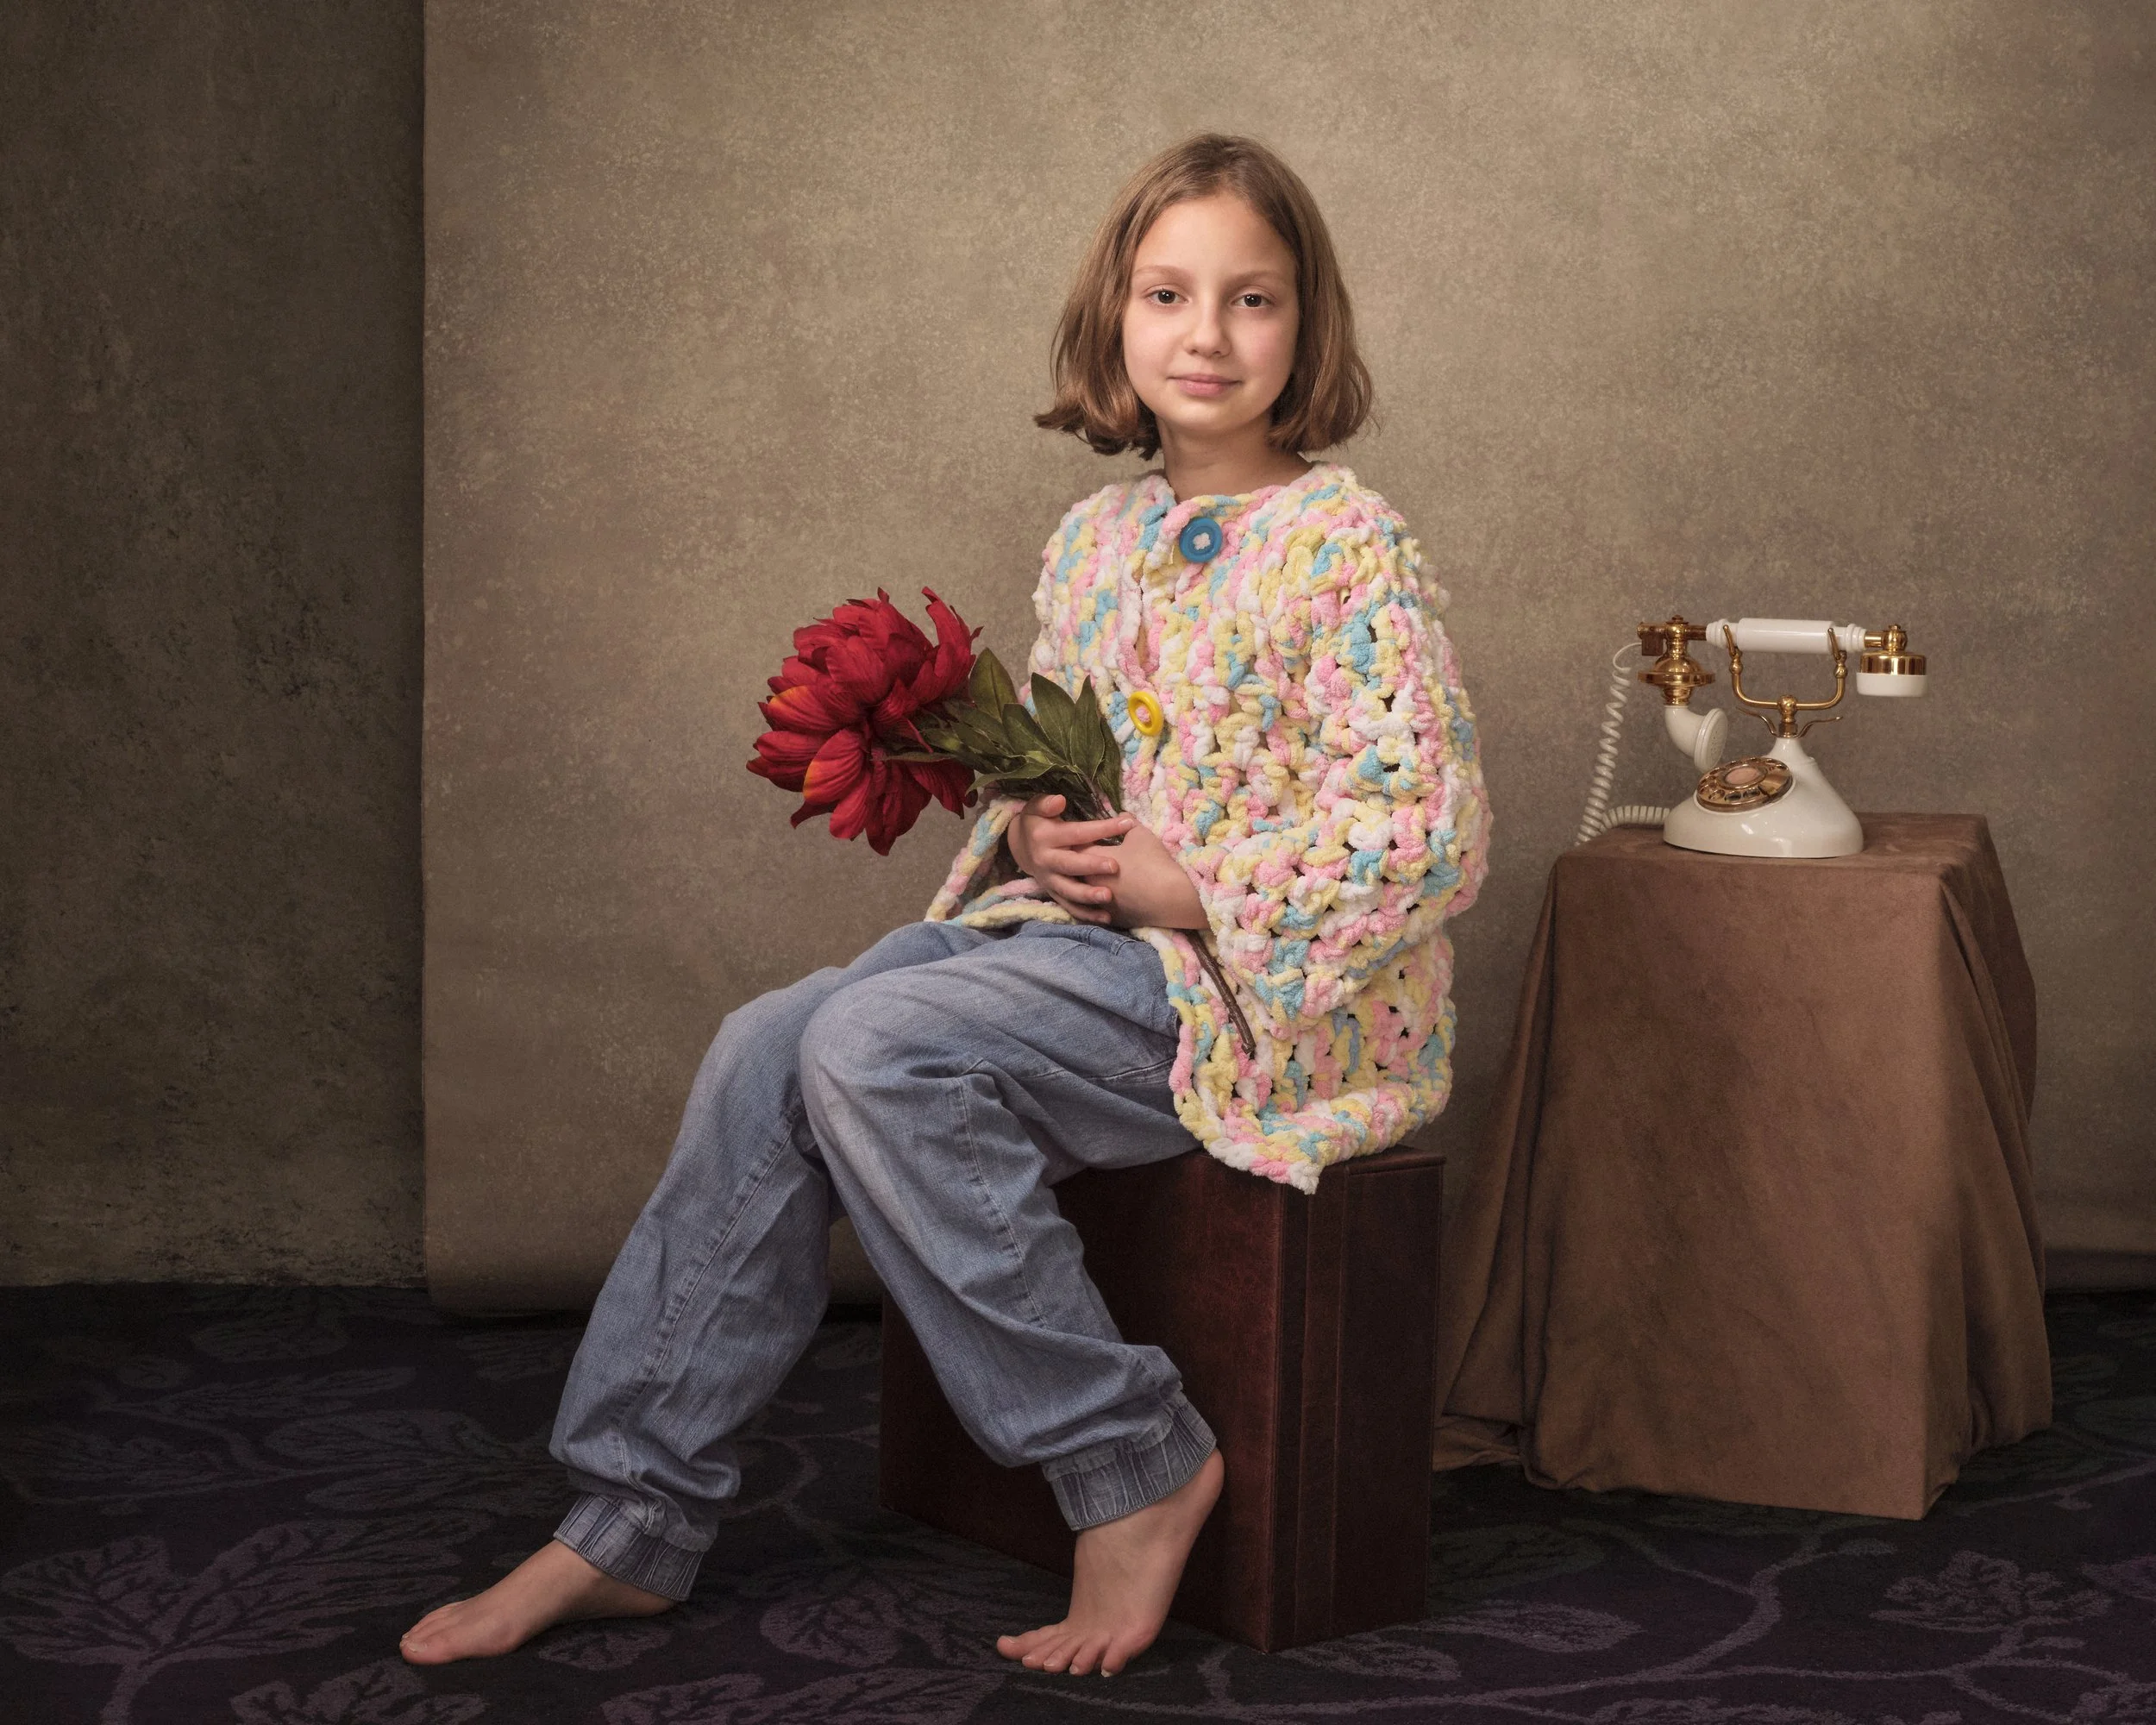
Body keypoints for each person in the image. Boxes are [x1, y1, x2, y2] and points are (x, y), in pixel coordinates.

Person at [400, 131, 1489, 1679]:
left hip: (1244, 998)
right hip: (1082, 955)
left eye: (1251, 301)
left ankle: (1130, 1458)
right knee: (768, 1043)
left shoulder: (1346, 548)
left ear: (1307, 326)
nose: (1204, 334)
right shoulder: (1099, 540)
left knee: (880, 1048)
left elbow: (1427, 828)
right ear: (1114, 318)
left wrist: (1197, 883)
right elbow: (1070, 773)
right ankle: (627, 1518)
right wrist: (1037, 838)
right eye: (1168, 294)